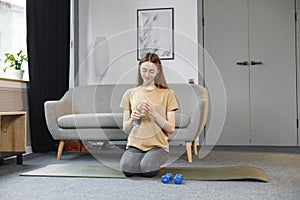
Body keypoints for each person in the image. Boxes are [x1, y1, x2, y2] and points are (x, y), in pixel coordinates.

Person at [119, 52, 179, 177]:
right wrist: (132, 119)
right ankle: (143, 160)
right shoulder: (130, 93)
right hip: (135, 145)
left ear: (158, 71)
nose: (147, 75)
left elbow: (171, 129)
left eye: (151, 71)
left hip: (158, 146)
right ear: (139, 69)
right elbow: (126, 128)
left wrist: (153, 112)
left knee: (147, 169)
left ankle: (150, 160)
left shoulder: (168, 93)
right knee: (127, 169)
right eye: (144, 70)